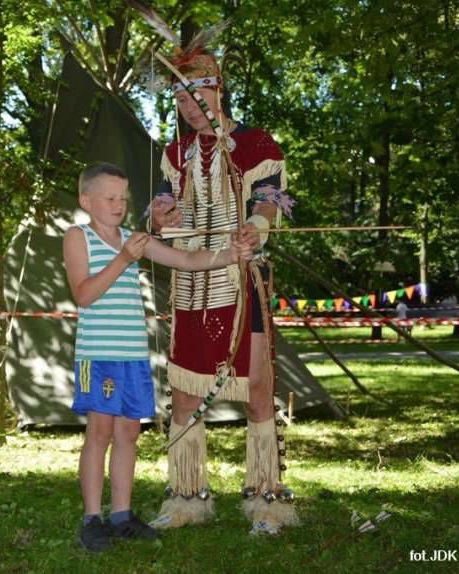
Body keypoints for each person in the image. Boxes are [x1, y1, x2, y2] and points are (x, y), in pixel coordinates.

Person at [148, 42, 300, 535]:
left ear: (217, 89)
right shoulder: (174, 153)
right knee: (185, 393)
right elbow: (169, 215)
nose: (189, 108)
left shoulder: (256, 144)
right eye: (180, 101)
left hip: (239, 283)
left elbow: (270, 199)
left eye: (196, 96)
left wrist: (255, 225)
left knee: (257, 391)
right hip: (192, 284)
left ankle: (267, 501)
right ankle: (186, 497)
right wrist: (160, 216)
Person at [64, 162, 254, 552]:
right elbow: (83, 295)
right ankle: (91, 519)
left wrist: (230, 254)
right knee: (99, 433)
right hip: (99, 355)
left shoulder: (135, 239)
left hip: (133, 354)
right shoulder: (77, 236)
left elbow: (186, 261)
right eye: (109, 197)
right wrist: (122, 260)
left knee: (128, 434)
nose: (119, 205)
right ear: (87, 201)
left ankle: (121, 514)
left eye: (123, 197)